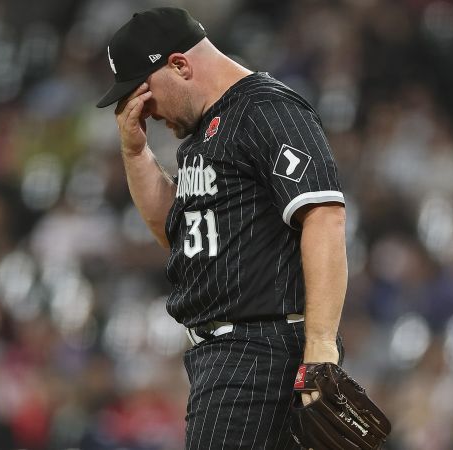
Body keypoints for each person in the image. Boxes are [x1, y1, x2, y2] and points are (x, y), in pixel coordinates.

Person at [97, 7, 348, 449]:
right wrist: (136, 154)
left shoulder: (266, 108)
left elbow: (323, 216)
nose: (144, 110)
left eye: (144, 92)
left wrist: (322, 350)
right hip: (231, 355)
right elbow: (175, 236)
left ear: (179, 64)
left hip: (260, 351)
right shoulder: (205, 131)